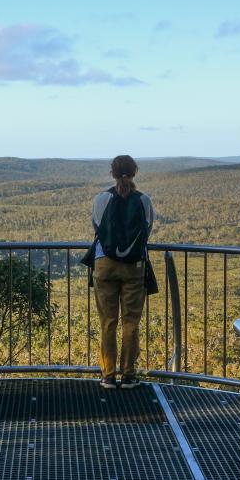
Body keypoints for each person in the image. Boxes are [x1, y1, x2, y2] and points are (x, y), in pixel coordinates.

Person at [90, 154, 154, 389]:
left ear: (112, 173)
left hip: (104, 264)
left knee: (108, 322)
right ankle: (129, 375)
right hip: (134, 267)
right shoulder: (144, 200)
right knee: (131, 322)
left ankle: (108, 375)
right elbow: (148, 231)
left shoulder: (101, 199)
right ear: (135, 172)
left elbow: (97, 227)